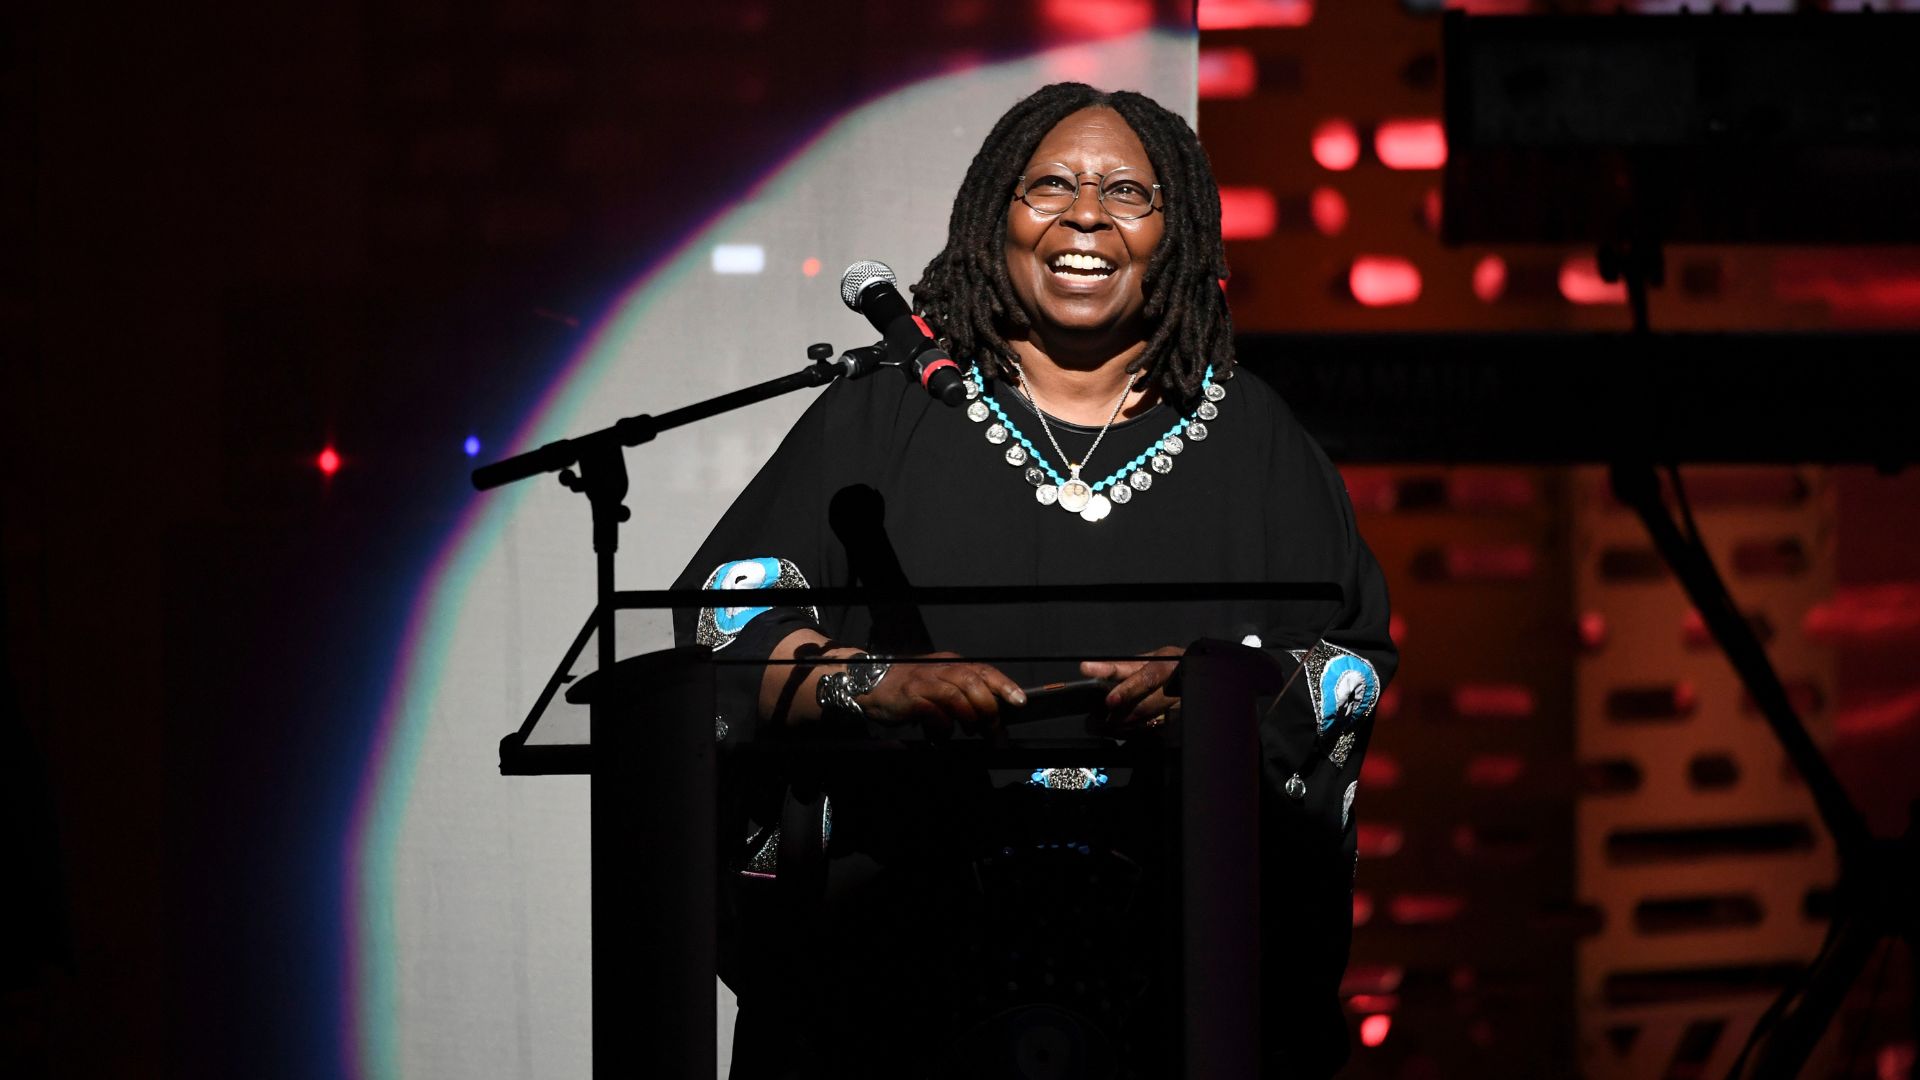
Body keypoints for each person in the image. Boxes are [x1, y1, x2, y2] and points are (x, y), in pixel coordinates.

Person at [674, 82, 1396, 1079]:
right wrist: (872, 683)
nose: (1086, 215)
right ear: (994, 218)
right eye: (1050, 185)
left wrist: (1226, 692)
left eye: (1126, 192)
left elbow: (1347, 658)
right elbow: (728, 611)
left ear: (1178, 231)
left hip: (1172, 976)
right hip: (891, 974)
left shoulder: (1254, 436)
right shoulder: (881, 411)